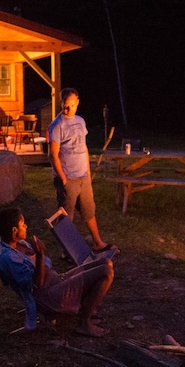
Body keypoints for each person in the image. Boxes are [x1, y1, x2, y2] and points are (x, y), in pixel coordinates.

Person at [0, 207, 113, 337]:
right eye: (23, 224)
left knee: (106, 262)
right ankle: (84, 323)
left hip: (56, 280)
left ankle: (84, 308)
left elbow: (41, 268)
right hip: (48, 296)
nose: (26, 226)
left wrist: (39, 258)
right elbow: (35, 286)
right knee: (106, 272)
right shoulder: (9, 258)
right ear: (14, 230)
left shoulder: (17, 243)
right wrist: (39, 256)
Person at [47, 88, 112, 252]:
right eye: (65, 105)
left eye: (72, 105)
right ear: (62, 103)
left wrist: (88, 171)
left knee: (89, 210)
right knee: (66, 216)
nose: (68, 109)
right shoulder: (56, 125)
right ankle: (67, 251)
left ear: (77, 103)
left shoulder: (81, 122)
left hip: (83, 175)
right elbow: (52, 155)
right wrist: (63, 178)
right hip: (68, 177)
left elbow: (84, 147)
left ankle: (98, 242)